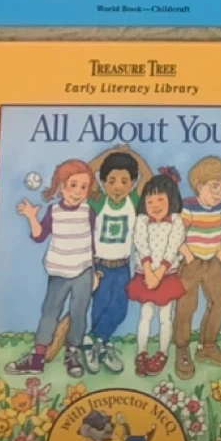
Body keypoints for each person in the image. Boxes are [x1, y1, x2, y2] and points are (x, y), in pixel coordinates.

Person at [7, 159, 96, 379]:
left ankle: (72, 354)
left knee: (79, 314)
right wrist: (31, 217)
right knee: (50, 313)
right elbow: (39, 236)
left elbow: (92, 242)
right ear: (61, 187)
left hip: (84, 272)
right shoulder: (54, 211)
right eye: (73, 185)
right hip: (58, 272)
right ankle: (38, 356)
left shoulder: (88, 212)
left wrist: (95, 271)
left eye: (83, 187)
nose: (78, 192)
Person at [173, 155, 221, 380]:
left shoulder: (220, 209)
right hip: (192, 263)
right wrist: (188, 256)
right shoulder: (188, 207)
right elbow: (176, 235)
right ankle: (182, 349)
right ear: (199, 185)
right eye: (215, 187)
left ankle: (207, 346)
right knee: (186, 307)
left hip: (212, 262)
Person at [126, 168, 189, 377]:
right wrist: (148, 272)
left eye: (160, 200)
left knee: (165, 317)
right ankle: (141, 353)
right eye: (150, 200)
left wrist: (159, 273)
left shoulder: (177, 221)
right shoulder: (142, 221)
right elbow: (140, 244)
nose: (155, 205)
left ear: (171, 199)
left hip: (166, 275)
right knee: (145, 315)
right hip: (145, 274)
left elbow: (173, 247)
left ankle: (162, 352)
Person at [84, 150, 141, 374]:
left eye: (124, 181)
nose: (118, 186)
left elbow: (147, 176)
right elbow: (85, 171)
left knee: (120, 309)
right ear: (102, 182)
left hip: (122, 267)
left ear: (133, 183)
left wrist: (129, 153)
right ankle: (102, 347)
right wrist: (109, 152)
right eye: (111, 180)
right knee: (99, 308)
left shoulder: (134, 201)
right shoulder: (98, 201)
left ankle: (92, 340)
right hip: (99, 266)